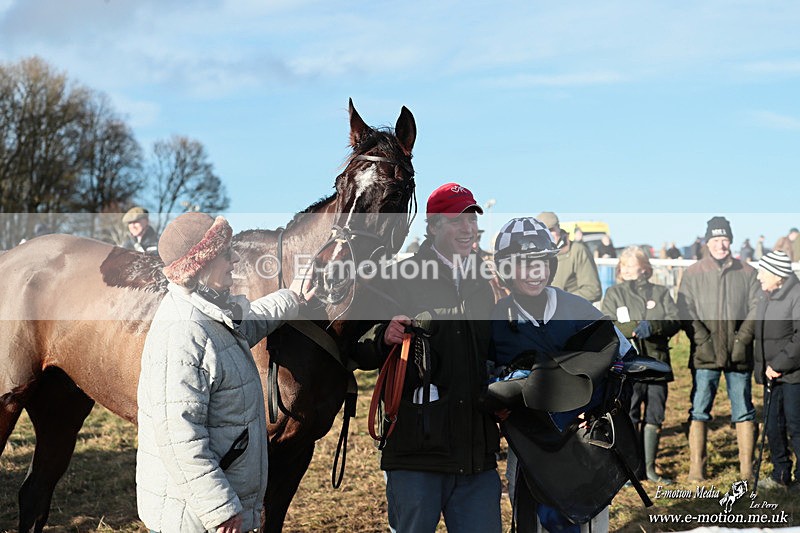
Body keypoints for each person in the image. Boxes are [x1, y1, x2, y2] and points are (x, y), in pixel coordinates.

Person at [136, 212, 312, 533]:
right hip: (197, 518)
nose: (234, 261)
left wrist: (293, 297)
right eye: (225, 254)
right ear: (200, 264)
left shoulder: (210, 307)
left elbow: (252, 319)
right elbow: (179, 436)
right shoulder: (184, 331)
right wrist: (219, 508)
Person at [353, 182, 502, 532]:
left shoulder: (483, 281)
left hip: (475, 453)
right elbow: (358, 344)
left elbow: (492, 350)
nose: (467, 229)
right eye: (456, 221)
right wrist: (381, 335)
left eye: (472, 220)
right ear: (433, 227)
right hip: (417, 451)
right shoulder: (399, 276)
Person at [490, 216, 627, 533]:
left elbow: (621, 356)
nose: (534, 272)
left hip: (582, 446)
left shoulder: (578, 308)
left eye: (541, 262)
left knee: (587, 522)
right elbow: (486, 377)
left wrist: (599, 406)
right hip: (527, 449)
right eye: (523, 264)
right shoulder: (495, 321)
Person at [677, 216, 760, 481]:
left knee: (744, 409)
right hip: (705, 354)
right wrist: (702, 340)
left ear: (731, 241)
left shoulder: (747, 272)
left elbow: (757, 307)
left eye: (725, 240)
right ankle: (696, 469)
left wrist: (742, 339)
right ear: (707, 242)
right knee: (699, 409)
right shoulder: (693, 273)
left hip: (739, 354)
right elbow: (684, 309)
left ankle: (747, 470)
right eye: (715, 240)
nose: (720, 245)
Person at [602, 246, 681, 484]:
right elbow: (609, 324)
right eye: (623, 265)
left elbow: (674, 320)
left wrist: (653, 326)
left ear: (644, 268)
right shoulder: (614, 293)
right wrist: (634, 328)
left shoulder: (660, 292)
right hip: (628, 367)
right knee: (631, 416)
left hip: (657, 364)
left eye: (631, 265)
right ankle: (632, 470)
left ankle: (650, 469)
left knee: (655, 416)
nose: (626, 270)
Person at [753, 251, 800, 490]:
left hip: (793, 375)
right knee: (773, 425)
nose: (759, 276)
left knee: (796, 426)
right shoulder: (766, 295)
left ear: (777, 275)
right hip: (772, 375)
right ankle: (780, 473)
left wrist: (779, 364)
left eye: (763, 272)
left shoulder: (797, 295)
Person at [536, 211, 602, 303]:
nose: (548, 235)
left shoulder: (577, 251)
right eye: (543, 231)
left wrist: (559, 301)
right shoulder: (533, 256)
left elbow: (592, 290)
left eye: (551, 230)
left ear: (559, 228)